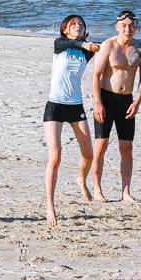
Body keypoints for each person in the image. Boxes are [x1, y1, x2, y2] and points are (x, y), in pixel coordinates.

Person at [44, 15, 101, 227]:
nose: (77, 26)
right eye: (73, 24)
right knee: (55, 157)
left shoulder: (85, 52)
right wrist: (84, 43)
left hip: (76, 106)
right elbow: (69, 43)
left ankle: (81, 180)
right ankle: (50, 205)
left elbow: (107, 48)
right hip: (55, 107)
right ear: (66, 30)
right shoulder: (60, 45)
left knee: (89, 154)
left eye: (80, 24)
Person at [90, 9, 141, 203]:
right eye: (124, 25)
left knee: (127, 147)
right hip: (106, 98)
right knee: (101, 145)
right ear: (117, 26)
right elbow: (96, 75)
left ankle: (126, 191)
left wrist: (137, 101)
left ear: (136, 27)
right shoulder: (108, 45)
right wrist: (97, 102)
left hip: (127, 101)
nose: (128, 29)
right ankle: (97, 189)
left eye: (132, 26)